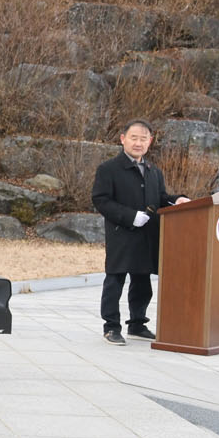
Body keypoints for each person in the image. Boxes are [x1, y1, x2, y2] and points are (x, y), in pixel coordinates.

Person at [90, 121, 187, 345]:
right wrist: (129, 216)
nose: (138, 143)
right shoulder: (108, 169)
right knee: (115, 280)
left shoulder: (154, 171)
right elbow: (101, 200)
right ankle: (111, 327)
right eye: (134, 138)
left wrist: (177, 199)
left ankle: (137, 324)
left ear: (150, 142)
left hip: (147, 234)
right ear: (122, 138)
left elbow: (161, 198)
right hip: (122, 233)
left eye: (143, 139)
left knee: (142, 281)